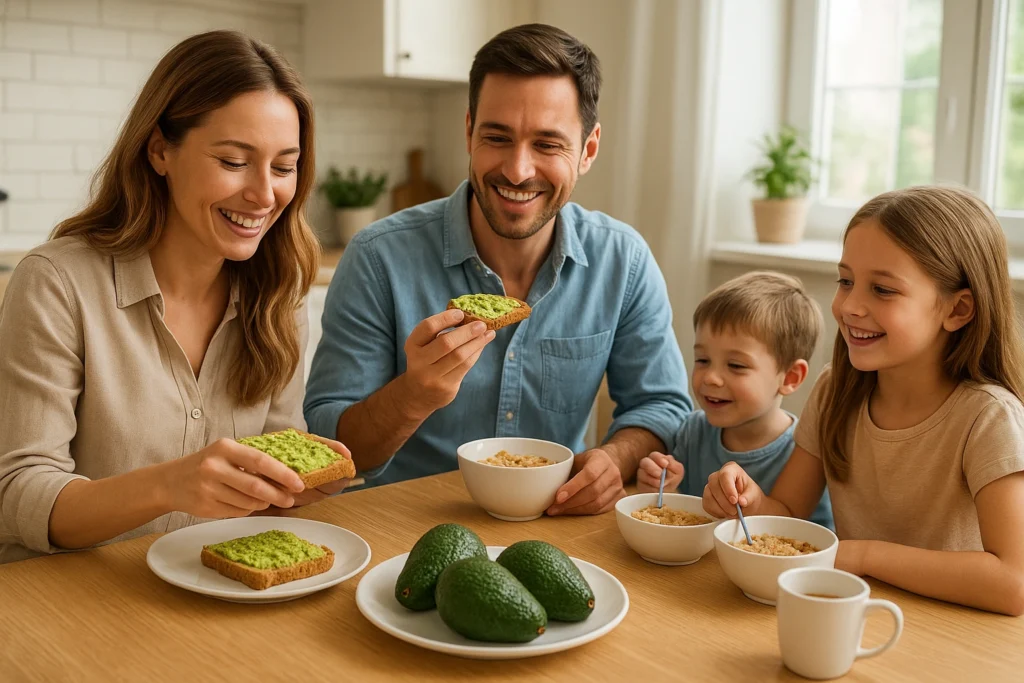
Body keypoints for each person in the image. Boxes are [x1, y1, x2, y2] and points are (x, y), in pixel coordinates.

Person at [304, 24, 690, 515]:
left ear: (588, 150)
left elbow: (663, 408)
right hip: (403, 537)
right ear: (468, 131)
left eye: (548, 145)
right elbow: (330, 447)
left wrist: (614, 458)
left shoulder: (624, 261)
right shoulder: (379, 258)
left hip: (556, 535)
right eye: (497, 137)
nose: (517, 170)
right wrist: (413, 396)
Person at [0, 30, 350, 564]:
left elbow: (271, 477)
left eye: (283, 167)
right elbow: (16, 493)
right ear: (161, 150)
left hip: (213, 591)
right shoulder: (58, 283)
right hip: (72, 602)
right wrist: (168, 486)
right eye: (234, 161)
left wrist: (290, 487)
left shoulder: (280, 290)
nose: (264, 194)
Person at [703, 186, 1024, 615]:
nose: (850, 306)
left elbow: (1013, 582)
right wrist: (748, 501)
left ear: (958, 309)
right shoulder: (836, 391)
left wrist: (862, 556)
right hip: (852, 617)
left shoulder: (989, 418)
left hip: (955, 641)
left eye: (883, 290)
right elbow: (788, 513)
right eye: (846, 281)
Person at [637, 272, 833, 529]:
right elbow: (680, 517)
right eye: (702, 360)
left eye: (736, 365)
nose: (711, 378)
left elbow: (793, 535)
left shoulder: (804, 452)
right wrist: (661, 485)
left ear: (790, 377)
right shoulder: (691, 432)